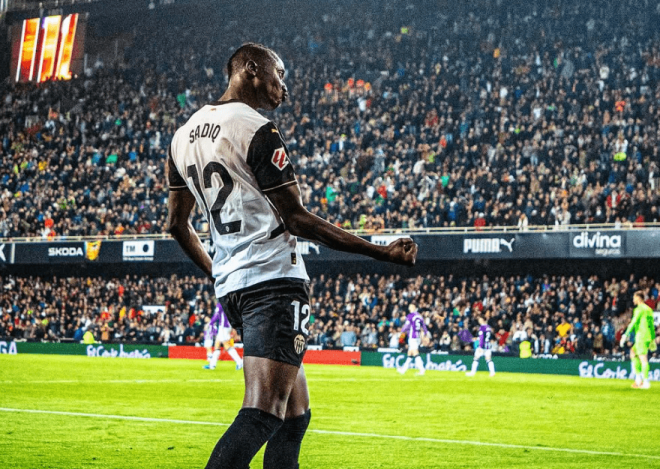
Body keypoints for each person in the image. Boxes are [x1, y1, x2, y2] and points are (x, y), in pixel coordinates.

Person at [167, 42, 418, 469]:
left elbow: (177, 224)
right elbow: (297, 219)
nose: (284, 86)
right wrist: (380, 252)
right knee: (263, 412)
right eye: (279, 75)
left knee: (295, 416)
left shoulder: (182, 135)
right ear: (250, 69)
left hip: (236, 288)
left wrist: (219, 272)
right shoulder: (256, 129)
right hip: (273, 282)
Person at [620, 291, 657, 389]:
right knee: (633, 353)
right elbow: (651, 325)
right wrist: (653, 339)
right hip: (647, 336)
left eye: (634, 298)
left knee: (643, 359)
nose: (633, 300)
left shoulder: (639, 309)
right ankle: (638, 380)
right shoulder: (649, 309)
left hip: (641, 336)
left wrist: (625, 335)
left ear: (639, 298)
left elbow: (633, 322)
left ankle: (646, 382)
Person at [204, 303, 244, 371]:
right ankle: (212, 365)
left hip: (223, 326)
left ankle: (239, 362)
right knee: (217, 344)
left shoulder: (220, 303)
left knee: (226, 345)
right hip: (228, 325)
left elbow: (216, 315)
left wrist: (210, 323)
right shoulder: (229, 302)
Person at [397, 304, 429, 375]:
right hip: (417, 336)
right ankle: (403, 370)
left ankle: (422, 370)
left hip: (412, 336)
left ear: (413, 308)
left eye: (410, 307)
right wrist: (425, 334)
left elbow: (407, 325)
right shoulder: (419, 316)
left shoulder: (410, 315)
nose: (409, 308)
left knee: (415, 352)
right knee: (410, 353)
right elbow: (423, 326)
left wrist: (401, 331)